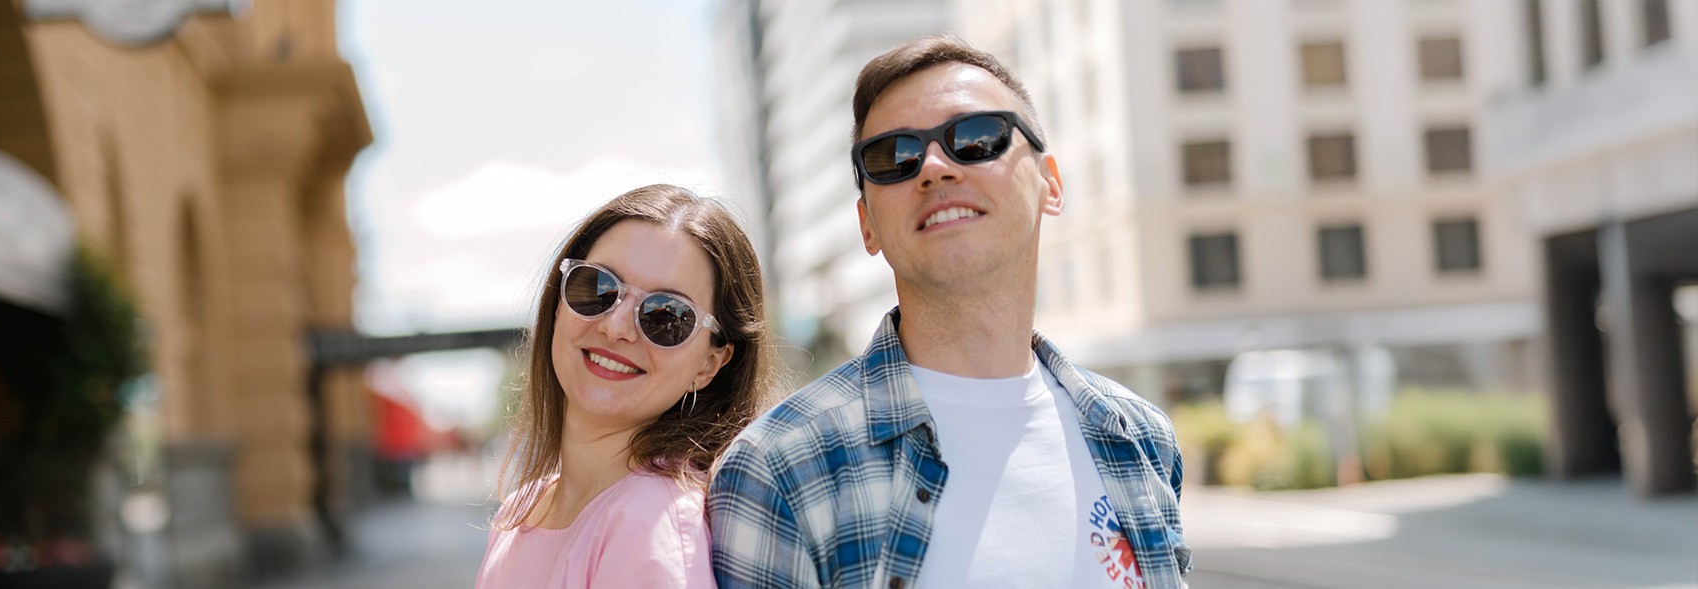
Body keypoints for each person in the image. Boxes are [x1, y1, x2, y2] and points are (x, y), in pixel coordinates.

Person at [707, 35, 1192, 588]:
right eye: (894, 157)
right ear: (867, 225)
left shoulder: (1143, 439)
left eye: (978, 138)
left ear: (1050, 184)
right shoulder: (780, 469)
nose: (934, 167)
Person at [477, 184, 778, 588]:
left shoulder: (651, 525)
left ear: (710, 363)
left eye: (666, 316)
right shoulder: (519, 512)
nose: (616, 327)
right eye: (597, 288)